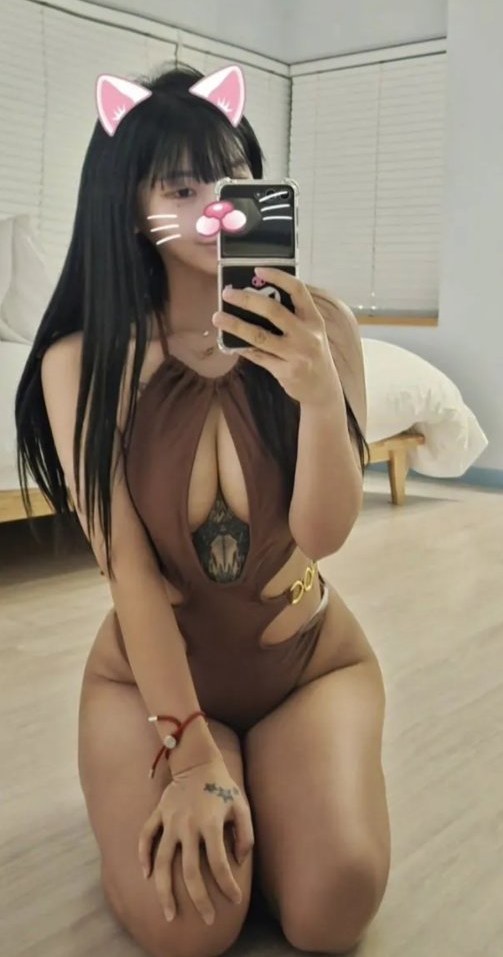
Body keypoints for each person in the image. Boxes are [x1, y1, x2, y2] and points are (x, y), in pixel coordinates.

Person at [14, 63, 391, 957]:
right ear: (128, 205)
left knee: (333, 908)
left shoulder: (324, 327)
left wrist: (316, 393)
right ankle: (218, 777)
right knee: (192, 928)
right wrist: (188, 754)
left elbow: (323, 537)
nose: (215, 204)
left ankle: (279, 788)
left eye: (231, 177)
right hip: (151, 688)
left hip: (309, 667)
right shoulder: (86, 362)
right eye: (181, 187)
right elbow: (130, 573)